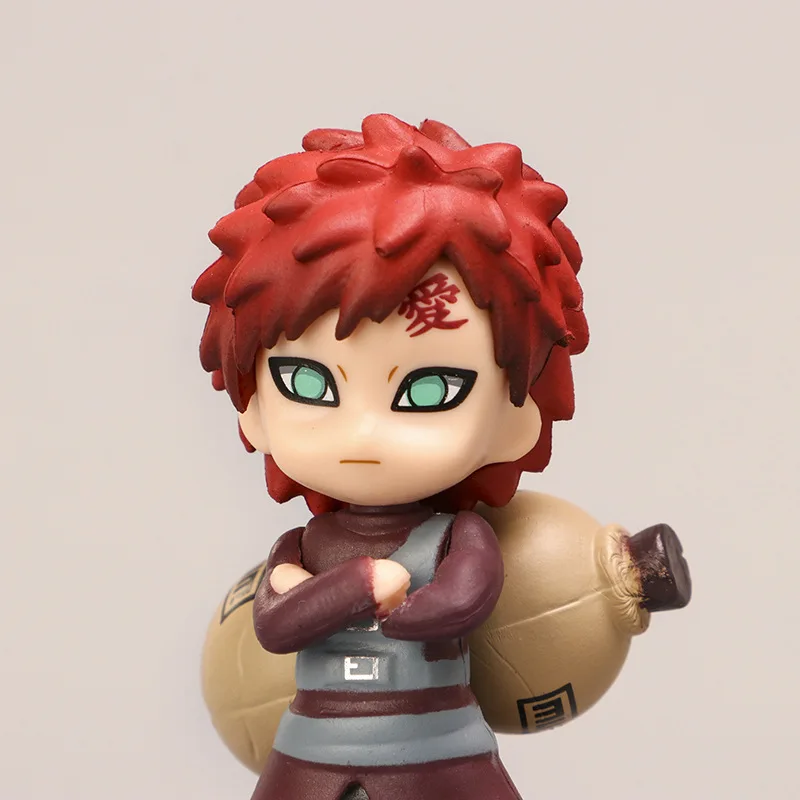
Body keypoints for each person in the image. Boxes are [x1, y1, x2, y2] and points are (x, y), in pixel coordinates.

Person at [192, 113, 588, 800]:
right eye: (307, 384)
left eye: (430, 390)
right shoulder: (302, 545)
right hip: (311, 754)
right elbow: (276, 625)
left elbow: (462, 601)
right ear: (252, 409)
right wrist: (360, 586)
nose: (363, 433)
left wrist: (383, 606)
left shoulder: (457, 539)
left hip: (441, 752)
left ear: (514, 420)